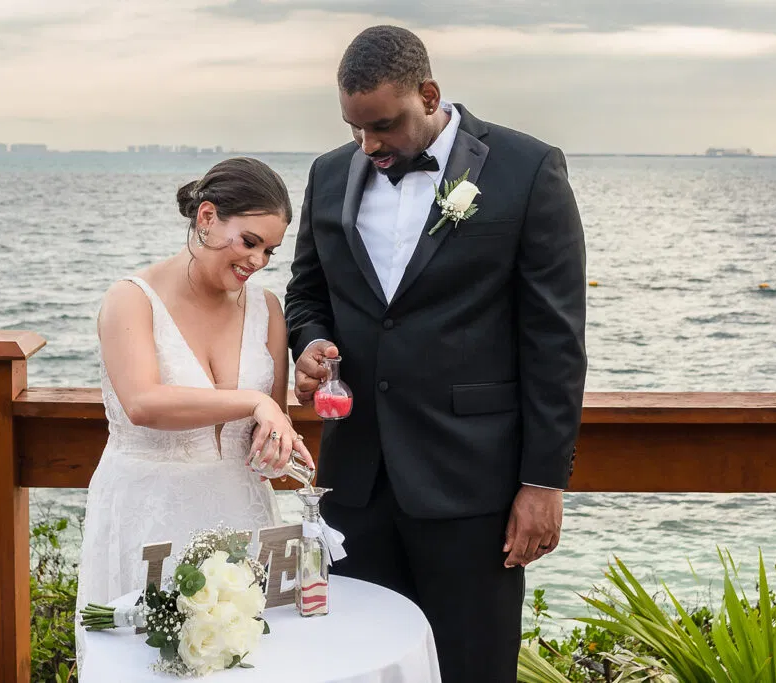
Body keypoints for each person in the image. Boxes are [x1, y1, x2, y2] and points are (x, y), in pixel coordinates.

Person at [284, 26, 587, 681]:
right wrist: (308, 344)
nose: (369, 145)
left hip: (471, 486)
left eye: (384, 126)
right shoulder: (329, 173)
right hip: (354, 484)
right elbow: (307, 292)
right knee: (353, 665)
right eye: (355, 128)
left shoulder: (528, 169)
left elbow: (555, 339)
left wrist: (544, 481)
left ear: (429, 94)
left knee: (472, 667)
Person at [76, 157, 313, 665]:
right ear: (206, 217)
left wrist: (276, 445)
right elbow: (143, 402)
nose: (258, 261)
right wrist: (257, 401)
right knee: (145, 661)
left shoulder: (267, 310)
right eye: (249, 242)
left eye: (270, 250)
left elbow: (267, 422)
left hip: (240, 516)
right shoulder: (130, 300)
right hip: (146, 516)